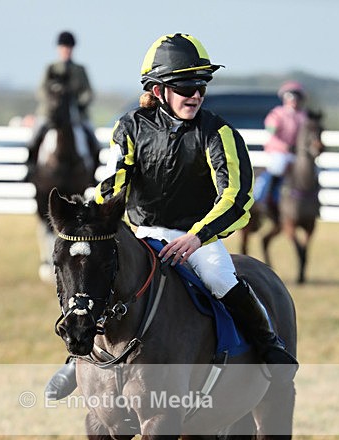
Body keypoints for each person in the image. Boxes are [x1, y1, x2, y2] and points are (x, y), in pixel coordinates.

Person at [45, 33, 297, 400]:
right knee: (96, 280)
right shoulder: (130, 127)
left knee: (220, 276)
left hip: (196, 239)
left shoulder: (218, 133)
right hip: (140, 232)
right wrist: (90, 212)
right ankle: (75, 359)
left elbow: (237, 196)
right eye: (184, 87)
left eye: (200, 86)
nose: (195, 94)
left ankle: (269, 346)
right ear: (159, 90)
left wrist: (196, 236)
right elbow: (118, 181)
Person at [27, 31, 99, 176]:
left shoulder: (80, 70)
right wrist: (53, 102)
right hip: (50, 114)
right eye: (64, 47)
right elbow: (41, 90)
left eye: (69, 47)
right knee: (34, 139)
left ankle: (92, 173)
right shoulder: (51, 68)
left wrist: (78, 103)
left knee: (93, 140)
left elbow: (89, 92)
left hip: (76, 115)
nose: (66, 50)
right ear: (59, 49)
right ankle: (31, 170)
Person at [260, 80, 308, 211]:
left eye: (297, 97)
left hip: (296, 153)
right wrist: (284, 146)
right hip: (278, 151)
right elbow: (271, 132)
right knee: (278, 167)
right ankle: (266, 198)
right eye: (291, 97)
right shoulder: (277, 113)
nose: (294, 100)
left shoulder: (303, 116)